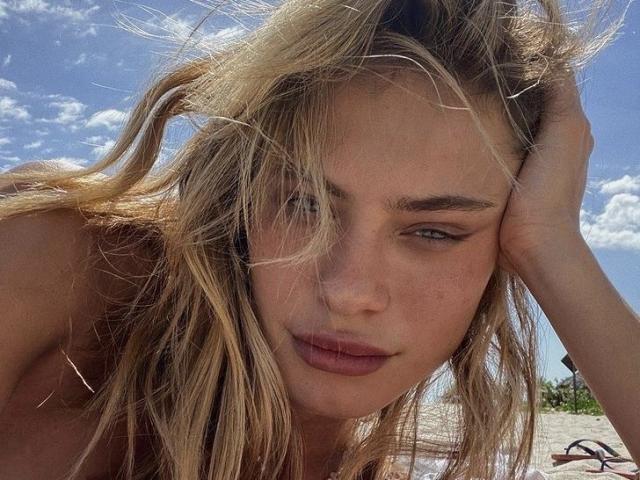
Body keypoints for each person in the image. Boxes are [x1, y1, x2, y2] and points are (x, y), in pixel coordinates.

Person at [0, 0, 638, 479]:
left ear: (502, 246)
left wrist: (552, 244)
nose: (349, 292)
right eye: (304, 204)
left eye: (434, 231)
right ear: (244, 193)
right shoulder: (57, 269)